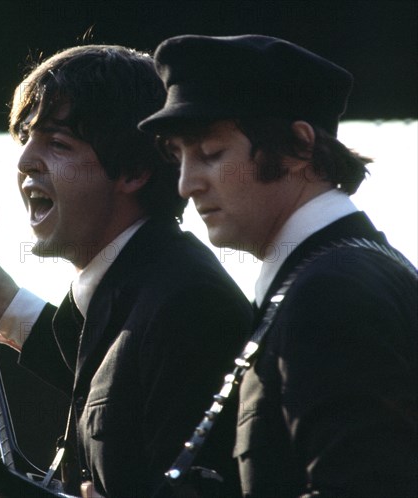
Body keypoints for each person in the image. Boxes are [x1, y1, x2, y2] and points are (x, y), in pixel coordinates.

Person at [0, 44, 252, 497]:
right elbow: (116, 381)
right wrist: (7, 307)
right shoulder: (143, 289)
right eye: (24, 137)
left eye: (58, 143)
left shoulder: (187, 305)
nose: (25, 160)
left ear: (132, 170)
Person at [139, 34, 417, 498]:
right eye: (178, 156)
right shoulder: (344, 272)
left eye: (209, 153)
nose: (186, 184)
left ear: (298, 146)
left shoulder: (329, 294)